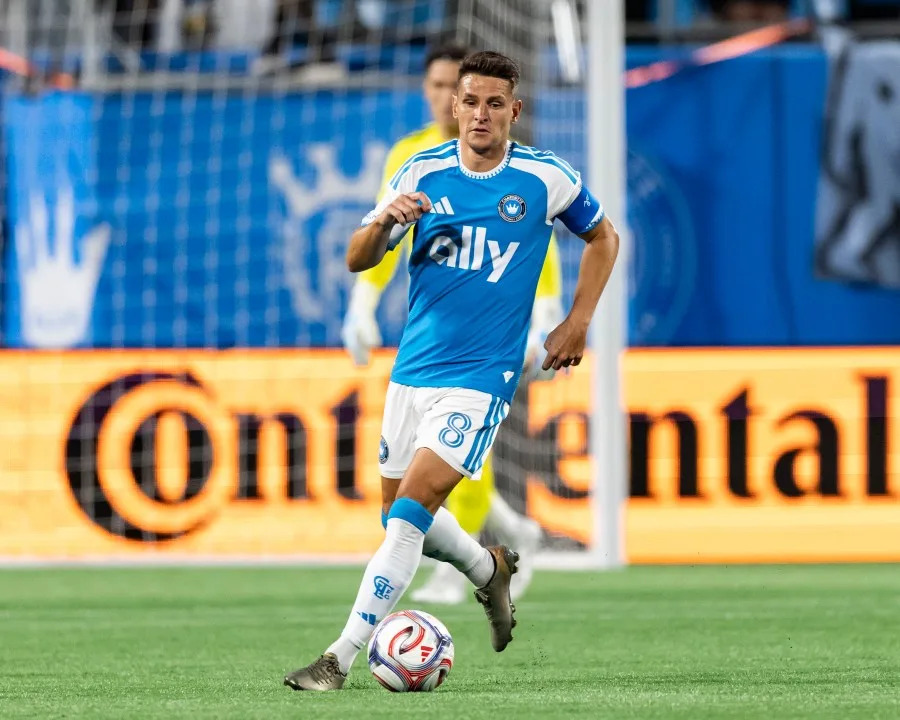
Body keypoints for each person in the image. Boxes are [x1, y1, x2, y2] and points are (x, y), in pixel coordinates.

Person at [284, 50, 619, 691]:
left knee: (409, 516)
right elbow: (358, 257)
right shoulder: (421, 169)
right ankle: (489, 569)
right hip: (412, 371)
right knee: (395, 516)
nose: (480, 114)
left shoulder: (545, 177)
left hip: (481, 377)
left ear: (514, 110)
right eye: (470, 102)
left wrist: (577, 322)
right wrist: (386, 219)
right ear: (455, 107)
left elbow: (604, 237)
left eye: (495, 104)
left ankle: (338, 658)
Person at [342, 43, 562, 604]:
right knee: (428, 465)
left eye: (457, 89)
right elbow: (384, 234)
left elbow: (537, 246)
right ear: (431, 93)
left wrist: (547, 316)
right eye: (441, 88)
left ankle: (456, 570)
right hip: (431, 334)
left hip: (499, 332)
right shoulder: (411, 156)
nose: (450, 100)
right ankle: (511, 535)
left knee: (458, 447)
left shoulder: (518, 167)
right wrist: (362, 304)